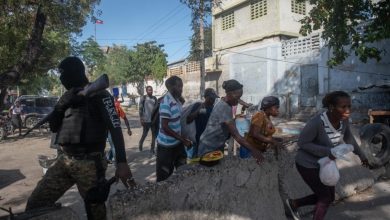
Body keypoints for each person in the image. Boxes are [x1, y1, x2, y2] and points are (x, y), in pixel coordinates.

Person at [25, 57, 135, 220]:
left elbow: (115, 126)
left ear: (75, 73)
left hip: (90, 163)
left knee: (95, 210)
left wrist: (122, 162)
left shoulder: (99, 93)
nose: (62, 79)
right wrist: (61, 105)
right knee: (35, 204)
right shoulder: (68, 96)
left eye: (64, 75)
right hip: (64, 161)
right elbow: (54, 127)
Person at [285, 91, 369, 220]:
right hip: (307, 164)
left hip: (326, 164)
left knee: (329, 197)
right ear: (331, 107)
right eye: (343, 107)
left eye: (349, 106)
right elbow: (302, 143)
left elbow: (350, 140)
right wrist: (328, 151)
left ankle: (294, 203)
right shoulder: (317, 123)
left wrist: (362, 156)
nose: (347, 110)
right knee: (324, 198)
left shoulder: (344, 121)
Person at [198, 79, 265, 165]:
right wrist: (254, 150)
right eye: (237, 97)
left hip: (216, 144)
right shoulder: (224, 108)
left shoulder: (224, 100)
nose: (238, 100)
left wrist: (246, 104)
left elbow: (238, 100)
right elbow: (236, 135)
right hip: (208, 147)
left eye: (239, 97)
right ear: (229, 94)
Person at [156, 76, 192, 182]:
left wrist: (180, 98)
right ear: (171, 87)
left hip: (177, 144)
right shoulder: (166, 102)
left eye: (182, 86)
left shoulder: (176, 99)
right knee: (164, 177)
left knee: (183, 171)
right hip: (166, 147)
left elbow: (181, 105)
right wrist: (183, 140)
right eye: (179, 86)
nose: (181, 89)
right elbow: (165, 127)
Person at [185, 88, 219, 161]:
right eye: (211, 98)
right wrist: (199, 109)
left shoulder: (213, 108)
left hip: (209, 140)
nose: (213, 100)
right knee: (195, 160)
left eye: (214, 98)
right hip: (198, 140)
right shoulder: (198, 105)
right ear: (206, 97)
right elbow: (188, 119)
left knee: (206, 160)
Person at [106, 95, 132, 163]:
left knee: (114, 144)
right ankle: (117, 163)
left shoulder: (117, 106)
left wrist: (129, 129)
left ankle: (109, 157)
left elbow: (125, 118)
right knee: (115, 145)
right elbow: (125, 118)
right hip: (112, 129)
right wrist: (129, 129)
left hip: (114, 129)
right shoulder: (115, 106)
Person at [138, 86, 158, 153]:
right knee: (145, 134)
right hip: (146, 120)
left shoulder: (154, 98)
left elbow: (157, 108)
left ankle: (152, 149)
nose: (151, 91)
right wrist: (141, 119)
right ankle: (140, 143)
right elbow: (140, 109)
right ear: (146, 91)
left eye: (151, 90)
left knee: (154, 135)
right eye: (149, 90)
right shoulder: (143, 98)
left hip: (153, 120)